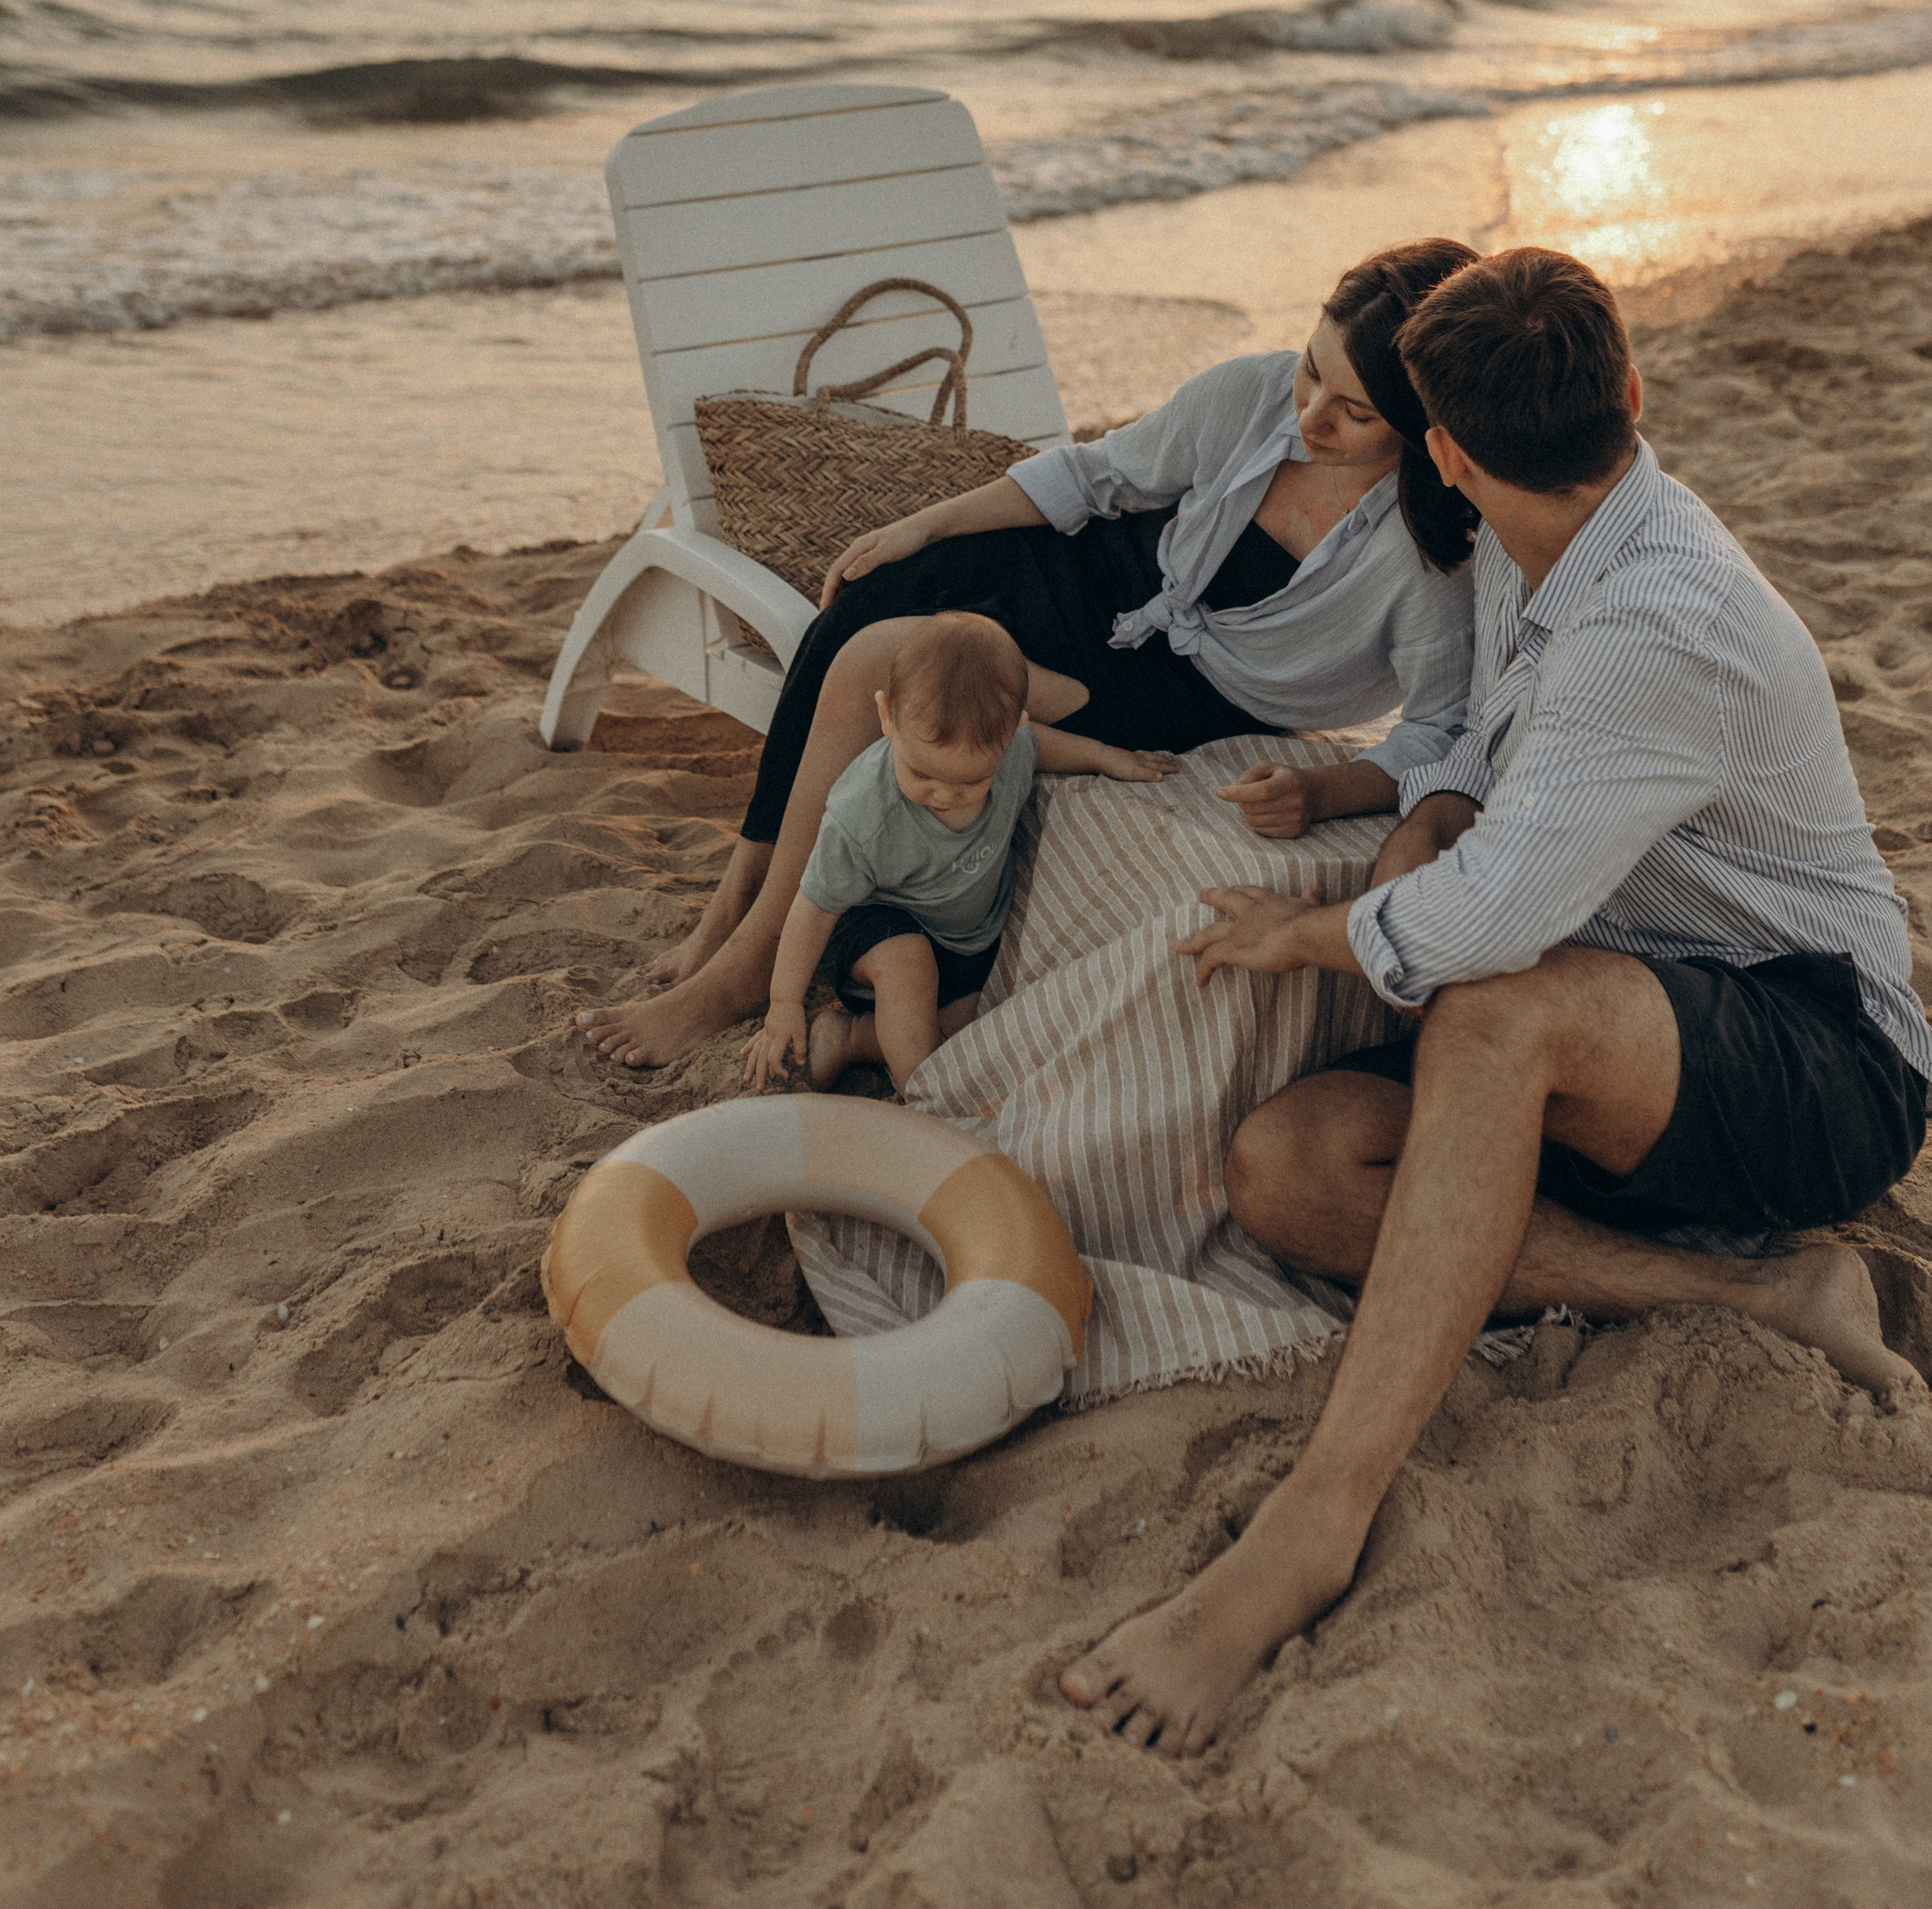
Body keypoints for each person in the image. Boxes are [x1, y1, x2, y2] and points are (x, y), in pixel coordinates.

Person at [1060, 245, 1930, 1760]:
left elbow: (1484, 927)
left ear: (1445, 454)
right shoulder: (1535, 543)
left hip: (1812, 1056)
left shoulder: (1654, 623)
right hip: (1639, 1040)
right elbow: (1466, 739)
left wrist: (1309, 934)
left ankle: (1310, 1527)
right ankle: (1757, 1294)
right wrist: (1425, 811)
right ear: (1627, 396)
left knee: (1491, 1009)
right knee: (1288, 1171)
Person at [578, 239, 1482, 1070]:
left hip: (1180, 693)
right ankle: (736, 908)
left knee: (880, 658)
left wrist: (1326, 791)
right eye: (1309, 373)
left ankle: (744, 967)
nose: (1310, 419)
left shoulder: (1426, 564)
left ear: (1421, 425)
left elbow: (1441, 730)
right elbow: (1095, 476)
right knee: (878, 588)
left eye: (1354, 412)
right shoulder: (1250, 393)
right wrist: (918, 525)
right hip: (1101, 577)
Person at [742, 610, 1178, 1095]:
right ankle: (925, 1098)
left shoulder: (1012, 747)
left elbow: (1042, 745)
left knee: (968, 1038)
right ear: (887, 716)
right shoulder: (864, 813)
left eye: (970, 782)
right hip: (876, 926)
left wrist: (1105, 756)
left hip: (968, 941)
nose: (944, 795)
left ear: (1012, 730)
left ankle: (849, 1039)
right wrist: (784, 1001)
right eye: (923, 775)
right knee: (909, 969)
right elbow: (815, 907)